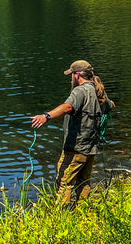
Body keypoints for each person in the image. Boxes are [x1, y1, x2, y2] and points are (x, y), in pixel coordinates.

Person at [30, 60, 114, 206]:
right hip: (91, 147)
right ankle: (83, 213)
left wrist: (46, 116)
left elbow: (68, 107)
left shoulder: (80, 91)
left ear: (77, 75)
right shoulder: (98, 90)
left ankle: (62, 216)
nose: (71, 78)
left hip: (76, 147)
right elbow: (109, 105)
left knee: (64, 182)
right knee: (84, 181)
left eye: (71, 75)